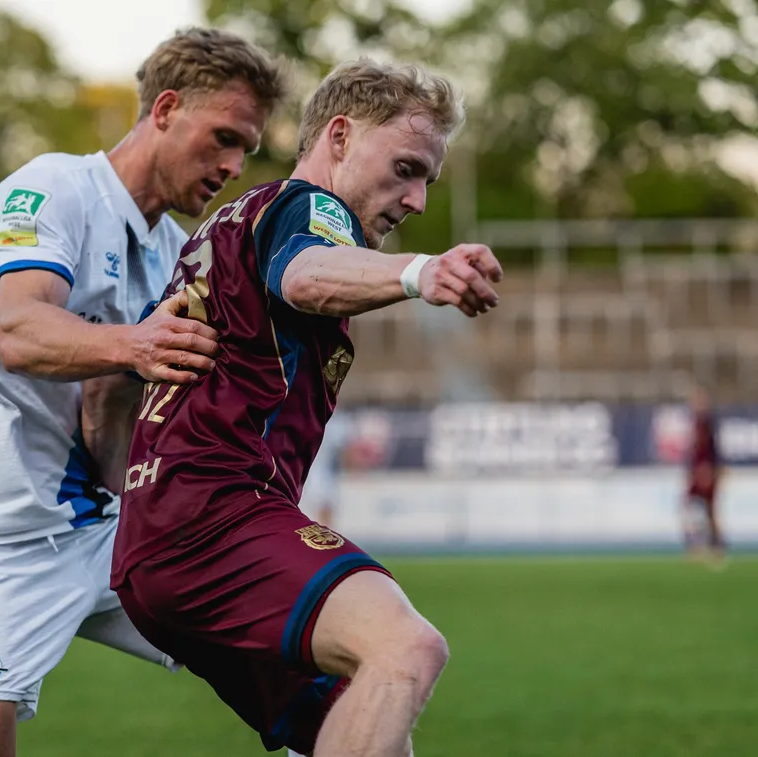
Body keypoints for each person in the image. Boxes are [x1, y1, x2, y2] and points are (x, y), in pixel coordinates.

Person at [105, 59, 502, 757]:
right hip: (215, 520)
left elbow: (114, 392)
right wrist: (420, 272)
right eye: (406, 167)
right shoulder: (307, 209)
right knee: (407, 647)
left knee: (363, 724)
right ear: (340, 136)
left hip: (160, 537)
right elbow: (306, 273)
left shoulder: (226, 227)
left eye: (427, 181)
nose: (415, 200)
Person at [0, 27, 287, 756]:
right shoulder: (52, 188)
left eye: (247, 149)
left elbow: (112, 426)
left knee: (309, 660)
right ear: (167, 108)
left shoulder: (178, 254)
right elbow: (20, 330)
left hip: (112, 529)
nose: (235, 165)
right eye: (224, 138)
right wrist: (136, 344)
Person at [682, 385, 725, 564]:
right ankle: (697, 545)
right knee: (691, 508)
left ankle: (716, 545)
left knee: (710, 510)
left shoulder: (708, 424)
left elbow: (712, 450)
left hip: (705, 471)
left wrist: (710, 470)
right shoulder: (695, 423)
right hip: (697, 471)